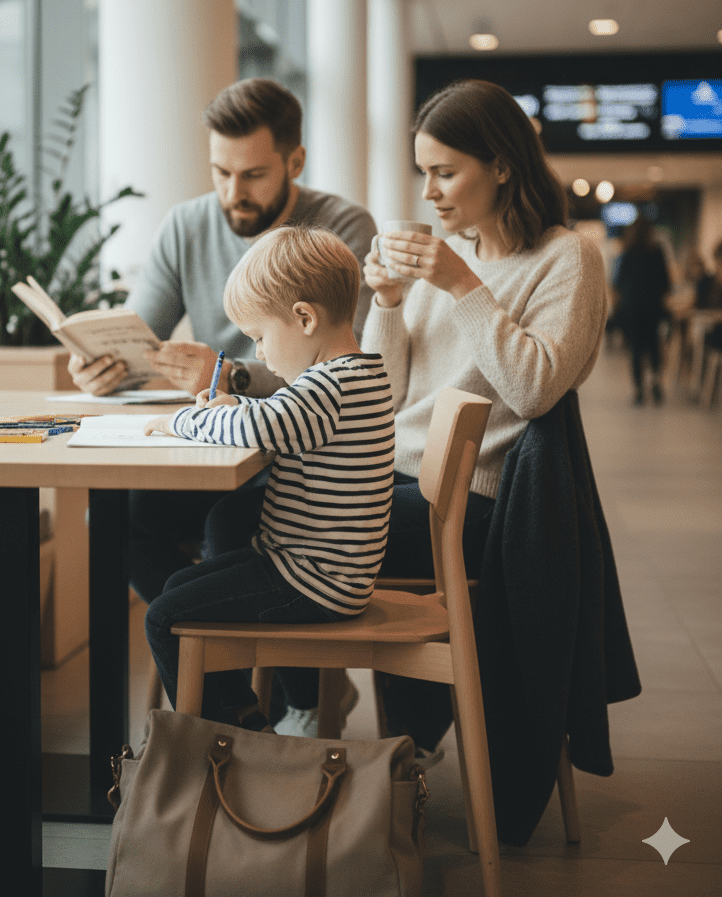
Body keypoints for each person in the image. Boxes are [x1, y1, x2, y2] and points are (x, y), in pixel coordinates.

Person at [206, 78, 608, 745]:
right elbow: (384, 394)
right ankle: (293, 705)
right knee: (228, 515)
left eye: (445, 172)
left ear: (502, 166)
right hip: (386, 480)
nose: (429, 192)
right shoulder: (446, 262)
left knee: (250, 530)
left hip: (468, 507)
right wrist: (389, 303)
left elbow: (535, 389)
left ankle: (302, 714)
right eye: (423, 173)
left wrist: (460, 285)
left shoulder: (566, 260)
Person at [68, 78, 377, 606]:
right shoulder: (187, 224)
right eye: (222, 172)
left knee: (227, 525)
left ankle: (284, 685)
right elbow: (142, 336)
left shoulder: (340, 229)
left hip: (302, 464)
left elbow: (346, 360)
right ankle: (214, 678)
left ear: (295, 161)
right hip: (223, 440)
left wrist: (229, 375)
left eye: (254, 175)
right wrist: (103, 364)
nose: (234, 193)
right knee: (114, 519)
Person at [141, 226, 394, 731]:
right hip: (319, 572)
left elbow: (268, 423)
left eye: (259, 336)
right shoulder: (357, 374)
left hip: (311, 581)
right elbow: (279, 415)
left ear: (303, 318)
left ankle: (235, 742)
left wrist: (182, 419)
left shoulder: (326, 388)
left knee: (164, 615)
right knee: (177, 588)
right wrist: (238, 404)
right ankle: (239, 719)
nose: (258, 355)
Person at [612, 214, 671, 405]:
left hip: (632, 309)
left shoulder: (627, 253)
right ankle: (655, 382)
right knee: (654, 345)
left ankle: (638, 390)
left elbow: (618, 283)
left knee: (636, 349)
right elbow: (666, 283)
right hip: (653, 309)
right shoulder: (657, 252)